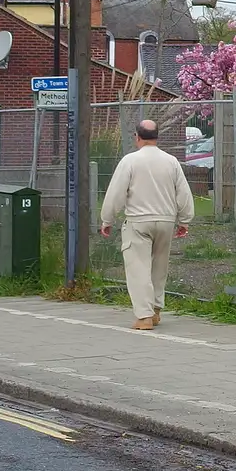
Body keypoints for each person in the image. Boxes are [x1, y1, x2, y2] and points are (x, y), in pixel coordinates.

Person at [99, 119, 195, 330]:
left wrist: (107, 219)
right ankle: (157, 310)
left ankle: (144, 317)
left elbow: (116, 192)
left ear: (137, 137)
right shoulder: (171, 161)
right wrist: (185, 220)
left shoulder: (130, 161)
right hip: (166, 221)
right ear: (157, 137)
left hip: (138, 221)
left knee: (138, 268)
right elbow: (183, 193)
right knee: (159, 268)